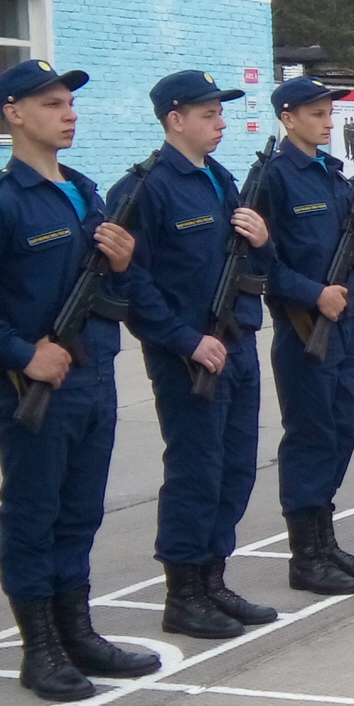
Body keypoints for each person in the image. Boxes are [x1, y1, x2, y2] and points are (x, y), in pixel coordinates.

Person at [0, 59, 159, 702]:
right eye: (51, 104)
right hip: (35, 388)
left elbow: (109, 290)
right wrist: (17, 354)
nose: (68, 114)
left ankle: (77, 631)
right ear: (12, 112)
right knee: (34, 514)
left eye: (69, 103)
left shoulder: (84, 191)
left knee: (80, 511)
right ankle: (39, 648)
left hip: (94, 378)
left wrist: (123, 263)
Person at [111, 71, 276, 638]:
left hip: (236, 343)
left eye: (220, 113)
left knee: (234, 469)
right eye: (208, 114)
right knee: (195, 472)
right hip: (187, 354)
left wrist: (261, 241)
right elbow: (130, 283)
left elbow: (250, 267)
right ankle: (183, 593)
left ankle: (213, 579)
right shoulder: (145, 188)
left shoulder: (220, 179)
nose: (221, 122)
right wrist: (185, 340)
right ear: (174, 119)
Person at [261, 76, 354, 595]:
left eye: (328, 113)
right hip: (304, 327)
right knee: (310, 438)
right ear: (288, 118)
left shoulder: (333, 176)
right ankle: (305, 555)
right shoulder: (274, 178)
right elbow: (262, 263)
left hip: (342, 324)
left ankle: (325, 541)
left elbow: (350, 248)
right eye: (315, 113)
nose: (327, 121)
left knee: (337, 432)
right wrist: (313, 295)